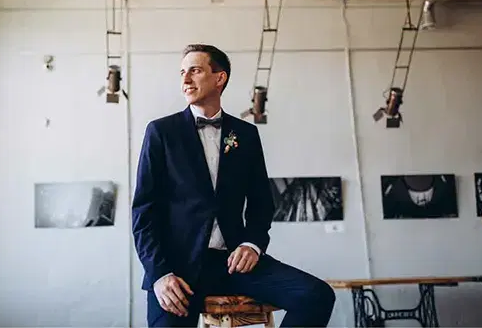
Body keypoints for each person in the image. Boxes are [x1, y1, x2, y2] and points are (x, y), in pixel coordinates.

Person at [132, 44, 335, 327]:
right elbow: (144, 211)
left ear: (220, 78)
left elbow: (262, 203)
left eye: (195, 70)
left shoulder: (246, 135)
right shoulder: (161, 132)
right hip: (177, 269)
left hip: (235, 264)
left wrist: (252, 244)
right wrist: (159, 274)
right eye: (182, 72)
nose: (185, 79)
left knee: (317, 295)